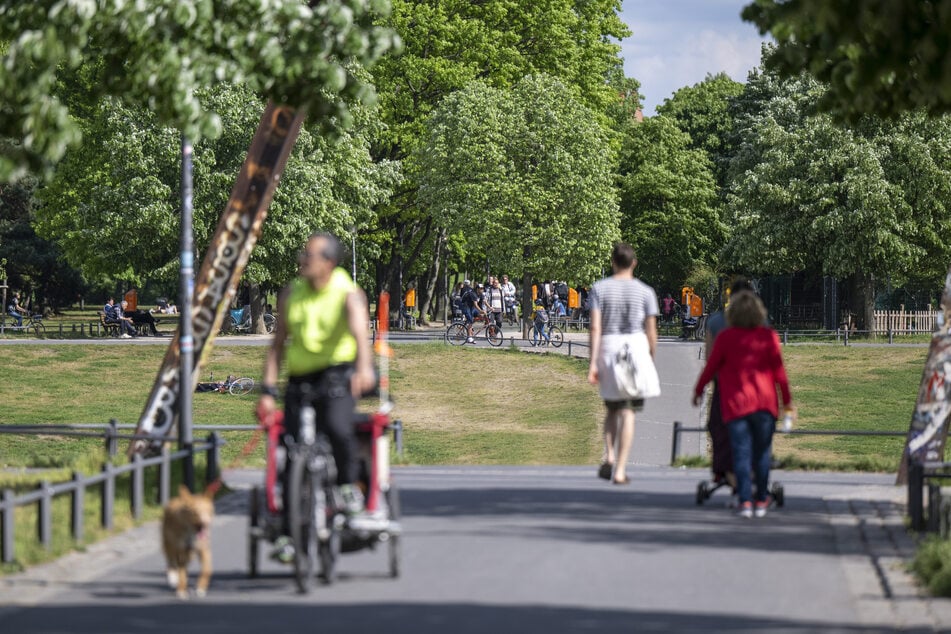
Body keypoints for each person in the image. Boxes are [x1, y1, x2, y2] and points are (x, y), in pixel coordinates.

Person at [257, 232, 377, 562]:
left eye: (309, 255)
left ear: (329, 262)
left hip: (338, 374)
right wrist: (267, 391)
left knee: (339, 429)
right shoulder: (290, 294)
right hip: (300, 377)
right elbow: (277, 346)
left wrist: (364, 368)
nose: (302, 260)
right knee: (290, 448)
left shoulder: (347, 293)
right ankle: (287, 528)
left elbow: (360, 335)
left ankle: (347, 487)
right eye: (302, 254)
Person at [692, 290, 794, 519]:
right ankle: (761, 500)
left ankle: (745, 501)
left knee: (740, 453)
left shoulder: (726, 338)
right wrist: (787, 402)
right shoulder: (769, 336)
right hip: (765, 405)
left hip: (737, 405)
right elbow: (780, 373)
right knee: (761, 454)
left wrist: (699, 390)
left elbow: (711, 368)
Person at [587, 243, 659, 485]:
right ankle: (620, 469)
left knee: (612, 408)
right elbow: (651, 331)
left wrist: (592, 363)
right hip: (635, 347)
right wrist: (651, 358)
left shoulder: (599, 289)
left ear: (613, 262)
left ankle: (609, 455)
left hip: (609, 345)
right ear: (634, 263)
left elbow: (595, 327)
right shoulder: (646, 292)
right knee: (628, 411)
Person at [701, 278, 756, 498]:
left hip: (725, 385)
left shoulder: (716, 322)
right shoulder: (761, 321)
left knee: (719, 427)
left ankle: (725, 471)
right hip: (754, 387)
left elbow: (709, 357)